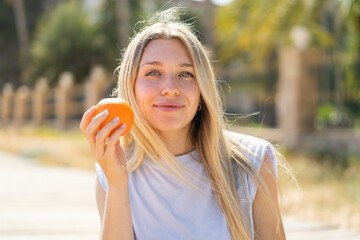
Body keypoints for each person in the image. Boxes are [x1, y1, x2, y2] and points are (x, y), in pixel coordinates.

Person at [80, 8, 286, 240]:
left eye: (186, 74)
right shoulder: (113, 174)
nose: (170, 88)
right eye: (153, 72)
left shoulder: (253, 161)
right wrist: (117, 184)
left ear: (201, 91)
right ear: (131, 87)